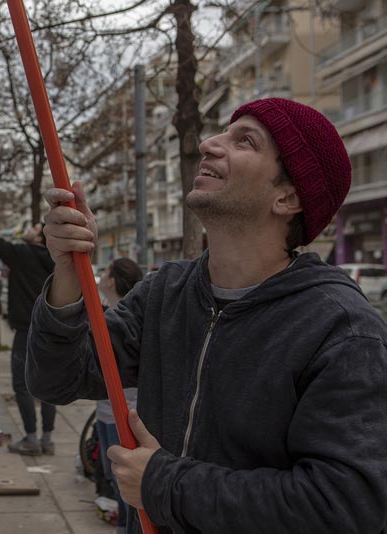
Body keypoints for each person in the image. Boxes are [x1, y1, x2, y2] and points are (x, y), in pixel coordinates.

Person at [26, 98, 387, 533]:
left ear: (287, 196)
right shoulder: (167, 292)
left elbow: (345, 507)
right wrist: (68, 273)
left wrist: (163, 483)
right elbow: (57, 379)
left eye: (244, 141)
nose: (209, 143)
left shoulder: (342, 331)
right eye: (221, 132)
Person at [0, 196, 57, 455]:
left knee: (22, 384)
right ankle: (47, 438)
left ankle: (31, 439)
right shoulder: (55, 261)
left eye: (34, 227)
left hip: (26, 331)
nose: (29, 229)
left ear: (39, 236)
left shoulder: (24, 254)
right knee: (48, 384)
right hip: (51, 330)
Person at [95, 258, 143, 533]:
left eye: (104, 270)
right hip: (105, 412)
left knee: (125, 485)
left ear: (112, 281)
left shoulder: (132, 319)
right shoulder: (104, 314)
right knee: (113, 479)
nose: (101, 275)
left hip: (125, 414)